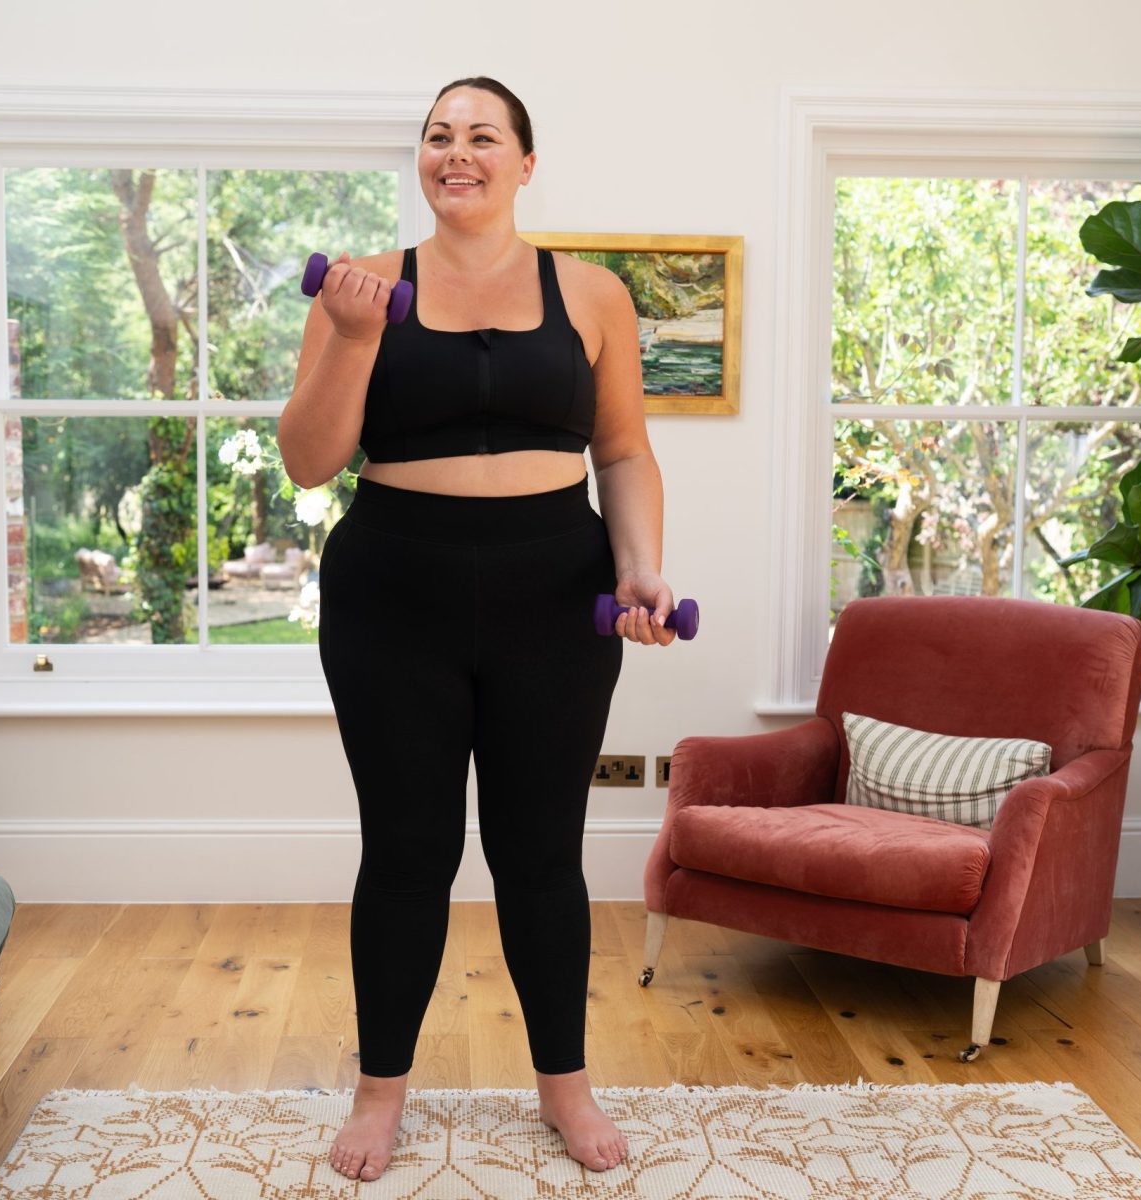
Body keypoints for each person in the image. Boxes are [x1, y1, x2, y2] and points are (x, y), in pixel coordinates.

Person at [282, 75, 678, 1183]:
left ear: (526, 162)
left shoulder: (593, 293)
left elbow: (626, 452)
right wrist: (356, 337)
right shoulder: (363, 286)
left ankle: (566, 1087)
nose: (458, 153)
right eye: (438, 136)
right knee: (408, 849)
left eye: (483, 136)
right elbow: (310, 461)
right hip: (391, 586)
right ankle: (378, 1094)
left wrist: (641, 566)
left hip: (557, 588)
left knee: (541, 852)